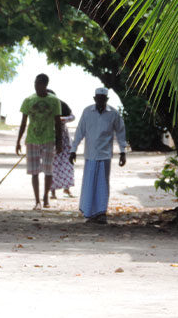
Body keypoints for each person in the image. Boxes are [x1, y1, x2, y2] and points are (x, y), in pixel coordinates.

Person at [70, 88, 127, 224]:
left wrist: (122, 152)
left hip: (104, 154)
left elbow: (120, 132)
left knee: (102, 184)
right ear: (94, 98)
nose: (100, 101)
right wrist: (73, 150)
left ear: (106, 99)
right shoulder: (87, 112)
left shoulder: (113, 113)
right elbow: (80, 131)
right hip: (90, 154)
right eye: (98, 98)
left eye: (103, 98)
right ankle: (89, 213)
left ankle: (101, 213)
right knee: (89, 184)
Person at [16, 74, 62, 210]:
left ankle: (46, 196)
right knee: (34, 171)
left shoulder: (54, 101)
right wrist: (18, 141)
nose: (36, 86)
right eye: (35, 84)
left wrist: (59, 142)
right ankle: (37, 201)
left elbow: (58, 123)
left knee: (48, 170)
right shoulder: (28, 100)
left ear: (45, 85)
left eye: (39, 84)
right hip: (32, 139)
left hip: (48, 139)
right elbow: (23, 122)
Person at [47, 90, 75, 199]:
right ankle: (52, 191)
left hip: (64, 139)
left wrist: (63, 119)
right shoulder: (44, 107)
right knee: (52, 165)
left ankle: (67, 188)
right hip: (51, 138)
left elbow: (72, 117)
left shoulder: (62, 104)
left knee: (67, 163)